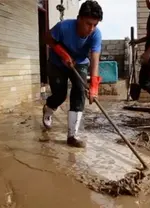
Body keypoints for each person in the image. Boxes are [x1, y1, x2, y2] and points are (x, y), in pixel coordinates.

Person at [42, 0, 103, 148]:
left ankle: (72, 135)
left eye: (95, 25)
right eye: (88, 23)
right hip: (57, 63)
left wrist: (94, 86)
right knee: (60, 95)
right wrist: (62, 53)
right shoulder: (64, 27)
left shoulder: (96, 34)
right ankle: (49, 108)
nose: (91, 28)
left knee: (79, 91)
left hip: (80, 62)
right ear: (79, 18)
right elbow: (46, 38)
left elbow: (95, 58)